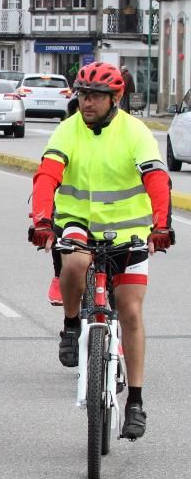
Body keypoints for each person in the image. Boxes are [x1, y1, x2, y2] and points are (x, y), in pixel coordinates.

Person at [29, 62, 173, 440]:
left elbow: (157, 177)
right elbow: (47, 174)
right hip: (79, 222)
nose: (86, 102)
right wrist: (42, 219)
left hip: (129, 231)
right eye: (82, 94)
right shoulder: (68, 128)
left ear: (115, 99)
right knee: (74, 261)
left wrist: (161, 225)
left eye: (94, 96)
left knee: (130, 311)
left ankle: (136, 402)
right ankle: (72, 325)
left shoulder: (135, 132)